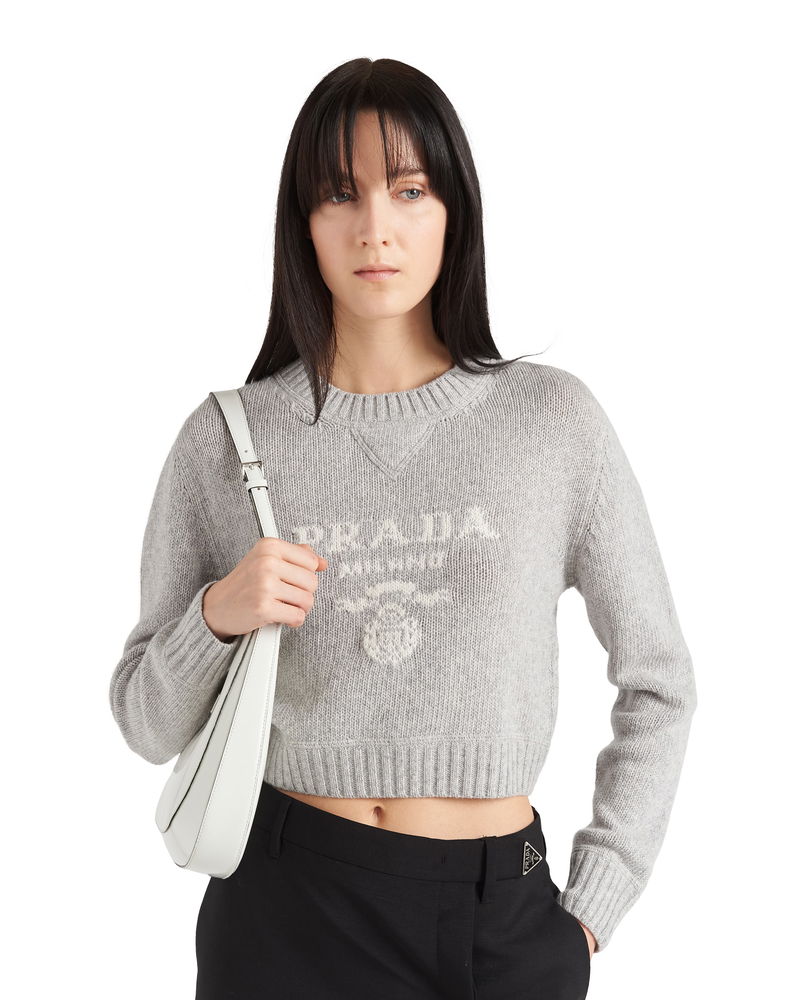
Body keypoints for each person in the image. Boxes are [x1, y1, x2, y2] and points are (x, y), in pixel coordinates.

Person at [109, 57, 698, 1000]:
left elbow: (659, 678)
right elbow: (145, 721)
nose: (374, 227)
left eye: (410, 190)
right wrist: (217, 615)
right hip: (288, 912)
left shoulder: (551, 423)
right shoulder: (227, 440)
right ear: (302, 222)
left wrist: (595, 902)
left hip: (501, 918)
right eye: (340, 194)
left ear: (453, 211)